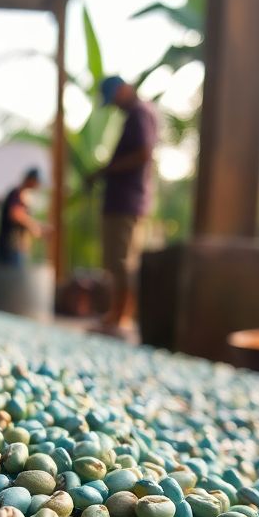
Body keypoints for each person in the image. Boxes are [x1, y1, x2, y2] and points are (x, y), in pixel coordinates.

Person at [87, 75, 158, 333]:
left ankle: (121, 317)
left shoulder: (140, 113)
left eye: (114, 98)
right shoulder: (137, 115)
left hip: (127, 200)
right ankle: (116, 315)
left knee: (122, 260)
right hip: (124, 199)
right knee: (117, 261)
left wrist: (106, 170)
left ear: (123, 89)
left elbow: (143, 153)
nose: (115, 105)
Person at [0, 167, 44, 265]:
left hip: (17, 249)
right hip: (10, 248)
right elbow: (15, 214)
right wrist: (32, 226)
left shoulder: (24, 195)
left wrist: (40, 227)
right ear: (30, 180)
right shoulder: (16, 194)